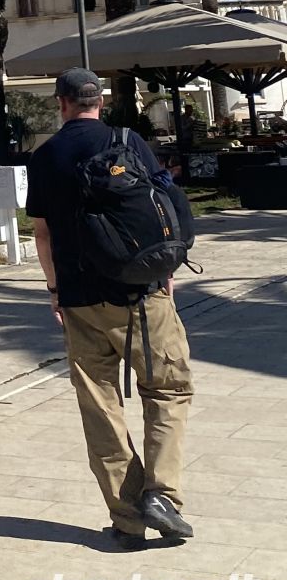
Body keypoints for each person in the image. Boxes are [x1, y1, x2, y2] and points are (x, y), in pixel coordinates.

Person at [26, 69, 193, 550]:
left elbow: (43, 234)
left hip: (81, 301)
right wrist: (166, 271)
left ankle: (127, 520)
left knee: (101, 410)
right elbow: (161, 209)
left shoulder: (45, 157)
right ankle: (163, 495)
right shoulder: (129, 140)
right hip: (145, 293)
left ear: (61, 103)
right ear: (98, 101)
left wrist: (56, 292)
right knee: (167, 391)